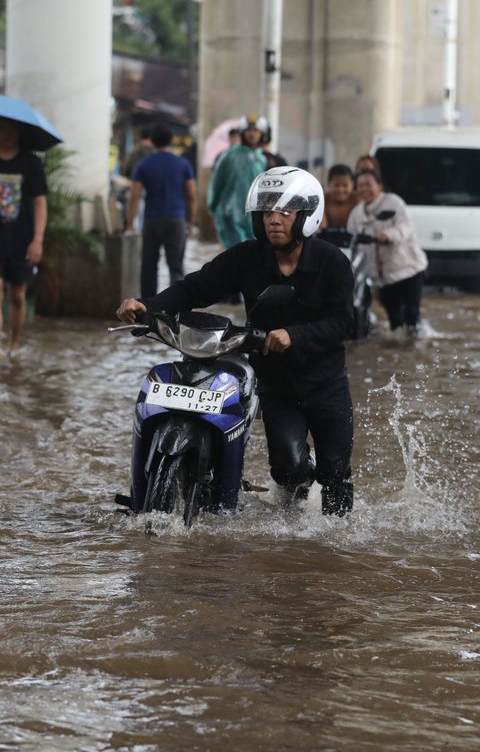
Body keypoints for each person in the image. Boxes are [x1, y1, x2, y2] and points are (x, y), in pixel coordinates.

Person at [117, 166, 355, 517]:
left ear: (306, 216)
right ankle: (301, 489)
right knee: (287, 470)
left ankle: (334, 551)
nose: (274, 219)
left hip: (326, 383)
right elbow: (195, 287)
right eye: (267, 211)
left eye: (285, 212)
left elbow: (344, 322)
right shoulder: (247, 257)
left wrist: (295, 335)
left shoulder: (333, 262)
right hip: (277, 385)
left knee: (335, 477)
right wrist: (147, 306)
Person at [347, 168, 428, 335]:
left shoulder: (394, 202)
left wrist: (387, 235)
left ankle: (414, 347)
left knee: (412, 314)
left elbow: (405, 226)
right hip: (381, 277)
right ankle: (398, 348)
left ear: (380, 186)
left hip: (409, 269)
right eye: (360, 185)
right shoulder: (356, 214)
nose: (364, 189)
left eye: (368, 184)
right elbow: (351, 241)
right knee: (394, 320)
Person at [126, 122, 197, 298]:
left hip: (151, 221)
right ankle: (176, 308)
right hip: (176, 220)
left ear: (153, 141)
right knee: (176, 267)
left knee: (149, 267)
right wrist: (190, 222)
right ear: (170, 141)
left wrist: (130, 224)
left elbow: (134, 196)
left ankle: (148, 310)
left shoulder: (143, 165)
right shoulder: (183, 164)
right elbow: (191, 196)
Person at [0, 117, 48, 356]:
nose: (7, 135)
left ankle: (14, 344)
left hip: (21, 240)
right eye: (3, 130)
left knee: (18, 296)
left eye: (11, 130)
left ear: (19, 133)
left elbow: (40, 203)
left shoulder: (31, 163)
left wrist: (38, 239)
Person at [207, 114, 267, 248]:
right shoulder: (229, 156)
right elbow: (217, 184)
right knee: (235, 256)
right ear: (243, 133)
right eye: (249, 130)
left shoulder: (261, 158)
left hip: (254, 216)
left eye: (256, 131)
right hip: (230, 214)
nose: (252, 134)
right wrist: (214, 207)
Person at [320, 163, 357, 229]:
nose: (340, 190)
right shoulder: (322, 200)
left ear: (352, 185)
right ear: (329, 185)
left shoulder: (357, 200)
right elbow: (322, 226)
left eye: (345, 185)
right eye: (337, 185)